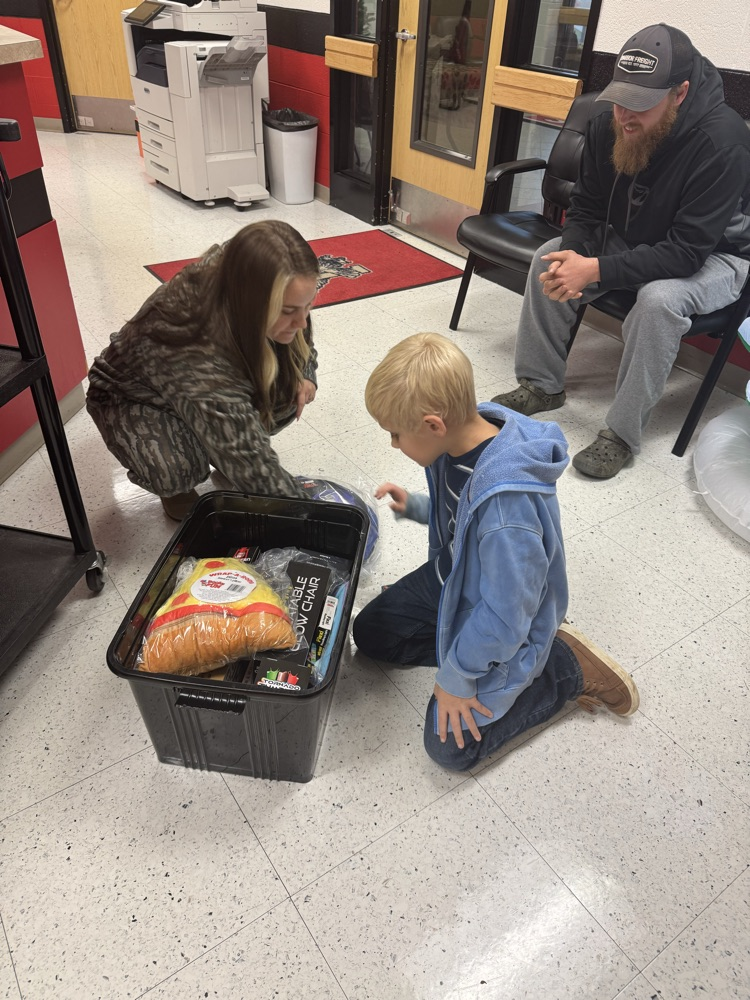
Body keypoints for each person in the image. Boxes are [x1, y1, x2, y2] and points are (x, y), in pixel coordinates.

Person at [352, 333, 639, 771]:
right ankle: (469, 647)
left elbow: (507, 611)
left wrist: (457, 678)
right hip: (453, 581)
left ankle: (564, 668)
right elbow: (461, 516)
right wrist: (418, 507)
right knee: (369, 635)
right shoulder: (455, 443)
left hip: (503, 613)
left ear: (432, 425)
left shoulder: (507, 513)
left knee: (449, 749)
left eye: (395, 434)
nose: (393, 444)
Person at [493, 23, 750, 479]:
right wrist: (574, 256)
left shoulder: (722, 142)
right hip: (638, 237)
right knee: (549, 257)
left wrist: (594, 270)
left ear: (680, 93)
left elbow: (688, 252)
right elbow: (587, 208)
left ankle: (621, 435)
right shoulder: (605, 123)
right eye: (620, 99)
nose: (625, 115)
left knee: (657, 301)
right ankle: (541, 385)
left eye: (641, 104)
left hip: (718, 255)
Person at [86, 220, 319, 519]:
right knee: (178, 470)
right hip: (134, 396)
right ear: (252, 303)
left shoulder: (244, 272)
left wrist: (306, 373)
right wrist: (314, 517)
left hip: (201, 386)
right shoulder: (193, 341)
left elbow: (302, 334)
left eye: (308, 305)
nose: (301, 321)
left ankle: (212, 444)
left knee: (288, 388)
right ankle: (182, 478)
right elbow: (248, 460)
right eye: (288, 312)